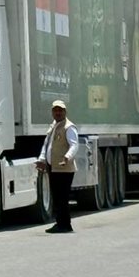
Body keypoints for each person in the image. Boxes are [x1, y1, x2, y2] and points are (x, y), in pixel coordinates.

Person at [36, 99, 79, 233]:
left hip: (64, 168)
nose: (58, 113)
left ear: (65, 112)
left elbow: (74, 145)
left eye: (60, 110)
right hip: (53, 167)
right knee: (57, 196)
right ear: (52, 112)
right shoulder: (53, 126)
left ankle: (64, 225)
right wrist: (42, 159)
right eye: (55, 110)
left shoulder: (69, 127)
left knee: (62, 197)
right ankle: (61, 223)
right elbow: (47, 145)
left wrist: (67, 157)